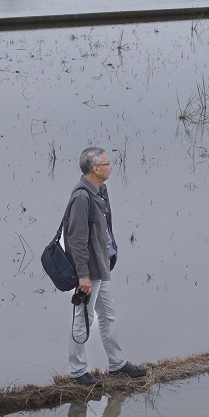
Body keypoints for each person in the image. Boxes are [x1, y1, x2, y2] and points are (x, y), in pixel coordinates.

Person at [62, 147, 147, 386]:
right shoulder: (81, 197)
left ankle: (117, 363)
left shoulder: (99, 191)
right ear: (96, 169)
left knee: (108, 315)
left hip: (102, 266)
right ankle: (78, 371)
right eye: (108, 164)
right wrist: (83, 276)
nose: (111, 167)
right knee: (83, 318)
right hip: (89, 272)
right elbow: (76, 239)